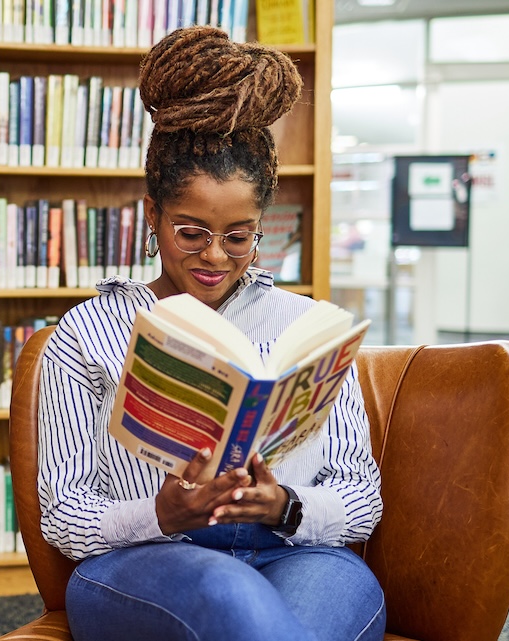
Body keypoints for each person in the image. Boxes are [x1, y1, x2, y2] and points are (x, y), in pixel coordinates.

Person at [37, 26, 386, 641]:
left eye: (239, 236)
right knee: (231, 597)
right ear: (153, 214)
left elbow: (362, 495)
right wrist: (162, 514)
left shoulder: (306, 329)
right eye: (190, 232)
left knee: (318, 602)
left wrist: (286, 508)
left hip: (295, 552)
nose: (215, 258)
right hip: (145, 560)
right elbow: (64, 515)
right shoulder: (88, 334)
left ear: (261, 226)